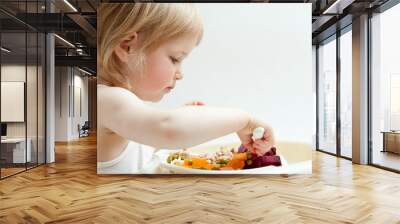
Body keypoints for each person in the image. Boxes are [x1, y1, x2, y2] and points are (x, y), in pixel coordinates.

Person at [97, 3, 275, 174]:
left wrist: (188, 116)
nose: (180, 74)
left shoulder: (122, 106)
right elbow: (168, 129)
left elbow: (145, 148)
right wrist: (245, 120)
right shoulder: (104, 98)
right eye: (175, 59)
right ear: (127, 46)